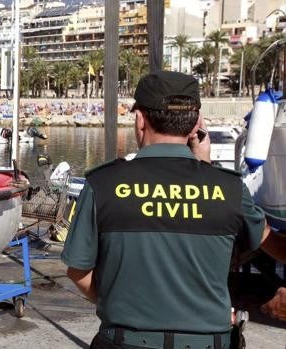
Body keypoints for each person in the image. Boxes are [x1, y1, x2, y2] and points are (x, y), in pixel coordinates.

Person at [62, 70, 286, 349]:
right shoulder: (230, 189)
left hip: (124, 341)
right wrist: (205, 167)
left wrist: (120, 304)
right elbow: (272, 242)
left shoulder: (102, 184)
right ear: (196, 125)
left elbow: (78, 272)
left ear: (140, 120)